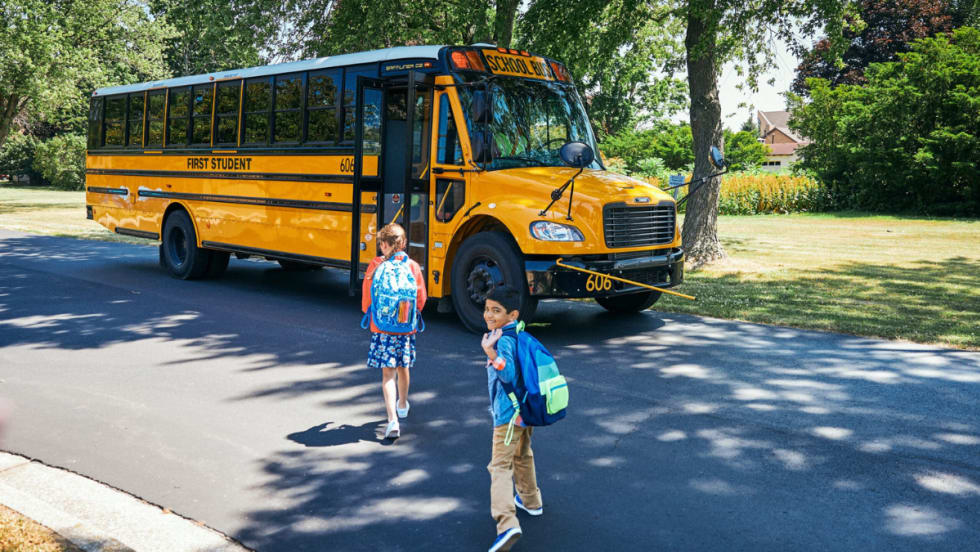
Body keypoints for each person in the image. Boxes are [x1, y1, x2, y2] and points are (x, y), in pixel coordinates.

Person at [480, 285, 543, 552]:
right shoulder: (518, 332)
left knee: (499, 467)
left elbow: (507, 374)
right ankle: (530, 500)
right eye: (487, 309)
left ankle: (506, 524)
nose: (489, 315)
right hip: (525, 411)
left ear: (512, 314)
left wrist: (491, 353)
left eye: (497, 310)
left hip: (508, 414)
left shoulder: (502, 340)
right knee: (522, 454)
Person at [362, 223, 426, 440]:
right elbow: (421, 299)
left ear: (383, 245)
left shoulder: (375, 265)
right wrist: (409, 317)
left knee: (387, 374)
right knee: (403, 366)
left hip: (382, 328)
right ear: (404, 243)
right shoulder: (413, 267)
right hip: (405, 326)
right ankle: (402, 403)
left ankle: (392, 421)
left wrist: (373, 316)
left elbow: (366, 301)